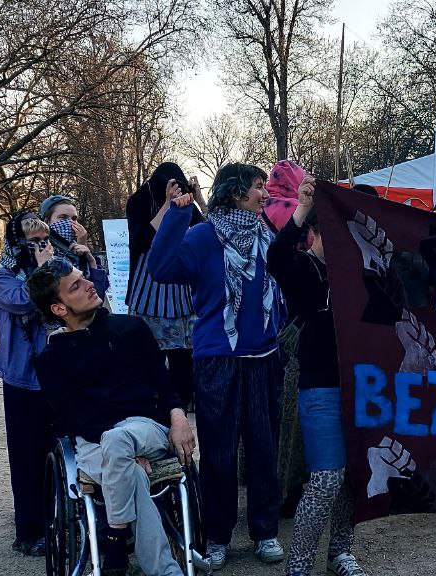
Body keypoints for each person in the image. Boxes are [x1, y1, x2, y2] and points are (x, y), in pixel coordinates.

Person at [146, 162, 287, 569]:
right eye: (259, 186)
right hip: (216, 358)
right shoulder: (203, 234)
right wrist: (176, 214)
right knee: (220, 452)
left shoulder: (267, 233)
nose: (265, 193)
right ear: (237, 192)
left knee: (264, 448)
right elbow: (160, 268)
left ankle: (265, 531)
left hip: (263, 357)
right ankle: (219, 535)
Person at [29, 258, 198, 576]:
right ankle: (167, 571)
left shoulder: (130, 329)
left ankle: (116, 542)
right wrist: (123, 457)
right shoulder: (52, 359)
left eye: (84, 278)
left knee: (119, 439)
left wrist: (178, 418)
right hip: (94, 441)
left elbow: (164, 385)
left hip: (143, 429)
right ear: (59, 309)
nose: (89, 284)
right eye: (76, 286)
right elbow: (74, 416)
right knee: (126, 467)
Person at [266, 175, 367, 576]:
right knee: (327, 477)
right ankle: (300, 565)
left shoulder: (362, 271)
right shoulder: (302, 268)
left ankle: (340, 553)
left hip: (364, 387)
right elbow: (275, 256)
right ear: (317, 233)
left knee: (352, 476)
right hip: (320, 386)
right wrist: (305, 206)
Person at [0, 212, 58, 556]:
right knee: (28, 457)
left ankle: (63, 520)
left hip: (58, 374)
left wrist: (86, 256)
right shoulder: (3, 277)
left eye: (45, 239)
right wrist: (45, 271)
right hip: (22, 378)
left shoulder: (56, 269)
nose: (41, 247)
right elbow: (23, 301)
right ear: (17, 244)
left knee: (60, 450)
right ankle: (30, 530)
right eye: (33, 241)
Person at [126, 163, 204, 409]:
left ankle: (181, 405)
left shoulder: (186, 204)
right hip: (148, 289)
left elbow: (204, 229)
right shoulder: (139, 201)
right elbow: (142, 239)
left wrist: (197, 199)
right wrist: (166, 206)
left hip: (181, 292)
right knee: (149, 360)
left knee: (184, 362)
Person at [40, 194, 109, 297]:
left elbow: (98, 296)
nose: (70, 223)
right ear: (46, 222)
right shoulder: (40, 251)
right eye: (63, 217)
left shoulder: (76, 247)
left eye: (74, 218)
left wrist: (90, 261)